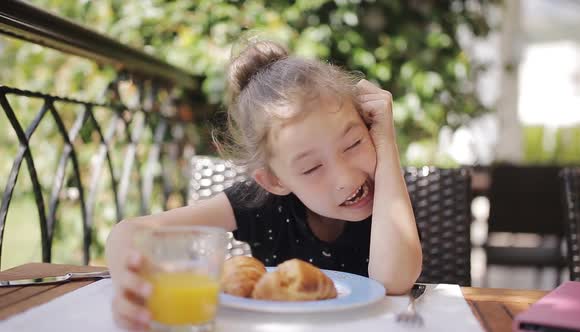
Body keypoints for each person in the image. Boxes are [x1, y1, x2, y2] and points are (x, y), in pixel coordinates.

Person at [106, 40, 422, 331]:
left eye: (354, 143)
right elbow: (129, 232)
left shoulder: (387, 195)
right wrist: (134, 287)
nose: (346, 178)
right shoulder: (260, 203)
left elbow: (394, 281)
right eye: (312, 167)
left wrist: (386, 141)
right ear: (275, 180)